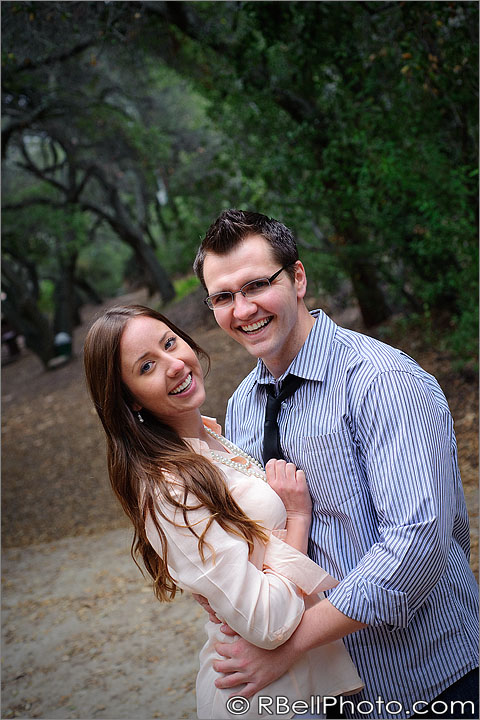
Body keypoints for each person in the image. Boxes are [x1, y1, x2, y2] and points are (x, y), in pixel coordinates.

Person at [192, 209, 479, 720]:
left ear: (298, 278)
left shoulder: (382, 381)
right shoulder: (240, 409)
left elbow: (415, 544)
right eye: (223, 297)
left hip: (429, 678)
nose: (243, 309)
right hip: (326, 692)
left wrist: (286, 646)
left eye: (257, 284)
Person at [83, 305, 363, 720]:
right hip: (267, 697)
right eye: (147, 367)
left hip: (308, 680)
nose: (175, 365)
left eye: (169, 343)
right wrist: (297, 519)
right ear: (128, 400)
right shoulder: (167, 488)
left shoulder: (212, 437)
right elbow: (267, 622)